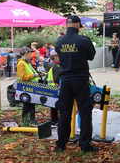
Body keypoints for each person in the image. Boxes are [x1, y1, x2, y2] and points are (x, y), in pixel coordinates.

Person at [55, 15, 96, 153]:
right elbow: (91, 56)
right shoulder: (83, 40)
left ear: (67, 25)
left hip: (65, 80)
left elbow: (59, 56)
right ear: (78, 25)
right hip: (80, 80)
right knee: (85, 112)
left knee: (64, 113)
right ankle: (85, 145)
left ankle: (61, 144)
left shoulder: (59, 41)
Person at [17, 47, 40, 126]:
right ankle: (25, 121)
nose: (31, 55)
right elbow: (22, 77)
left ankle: (32, 120)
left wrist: (38, 74)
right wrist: (34, 75)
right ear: (26, 54)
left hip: (31, 87)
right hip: (26, 88)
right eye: (30, 54)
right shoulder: (21, 63)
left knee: (31, 104)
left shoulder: (27, 63)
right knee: (27, 105)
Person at [45, 50, 61, 126]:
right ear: (54, 57)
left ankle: (54, 120)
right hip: (56, 89)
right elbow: (57, 79)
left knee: (53, 106)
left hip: (51, 89)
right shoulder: (57, 67)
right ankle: (56, 121)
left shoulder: (52, 67)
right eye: (58, 56)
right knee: (57, 106)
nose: (60, 58)